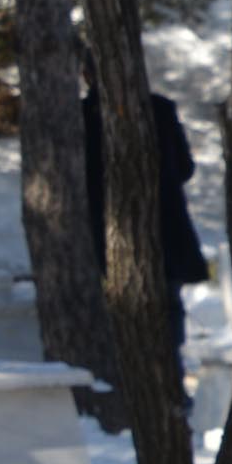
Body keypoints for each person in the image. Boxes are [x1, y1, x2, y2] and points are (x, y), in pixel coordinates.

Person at [81, 79, 208, 373]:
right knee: (166, 320)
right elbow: (185, 167)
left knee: (120, 324)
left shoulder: (83, 115)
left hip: (106, 237)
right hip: (166, 233)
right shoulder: (159, 108)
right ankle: (171, 386)